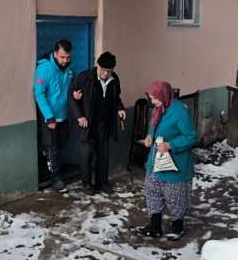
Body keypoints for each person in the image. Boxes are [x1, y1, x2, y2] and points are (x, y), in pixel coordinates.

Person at [136, 81, 198, 241]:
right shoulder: (159, 110)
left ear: (163, 96)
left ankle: (177, 228)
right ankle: (155, 227)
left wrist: (172, 145)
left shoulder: (180, 113)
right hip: (157, 158)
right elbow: (154, 126)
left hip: (175, 161)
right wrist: (150, 135)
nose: (152, 102)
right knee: (152, 189)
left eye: (154, 98)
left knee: (175, 195)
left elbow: (192, 137)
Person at [68, 52, 126, 195]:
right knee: (86, 155)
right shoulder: (85, 78)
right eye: (103, 70)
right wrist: (79, 116)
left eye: (109, 71)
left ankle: (102, 182)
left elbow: (116, 97)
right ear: (97, 65)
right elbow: (71, 96)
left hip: (104, 124)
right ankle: (87, 184)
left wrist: (120, 108)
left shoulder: (115, 79)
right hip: (87, 125)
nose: (105, 73)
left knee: (103, 155)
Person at [35, 39, 75, 193]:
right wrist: (49, 117)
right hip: (48, 117)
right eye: (62, 57)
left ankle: (47, 157)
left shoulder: (69, 69)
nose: (65, 60)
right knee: (52, 148)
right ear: (55, 54)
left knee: (62, 141)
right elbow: (39, 94)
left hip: (63, 115)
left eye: (68, 57)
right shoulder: (45, 68)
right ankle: (56, 179)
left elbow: (70, 88)